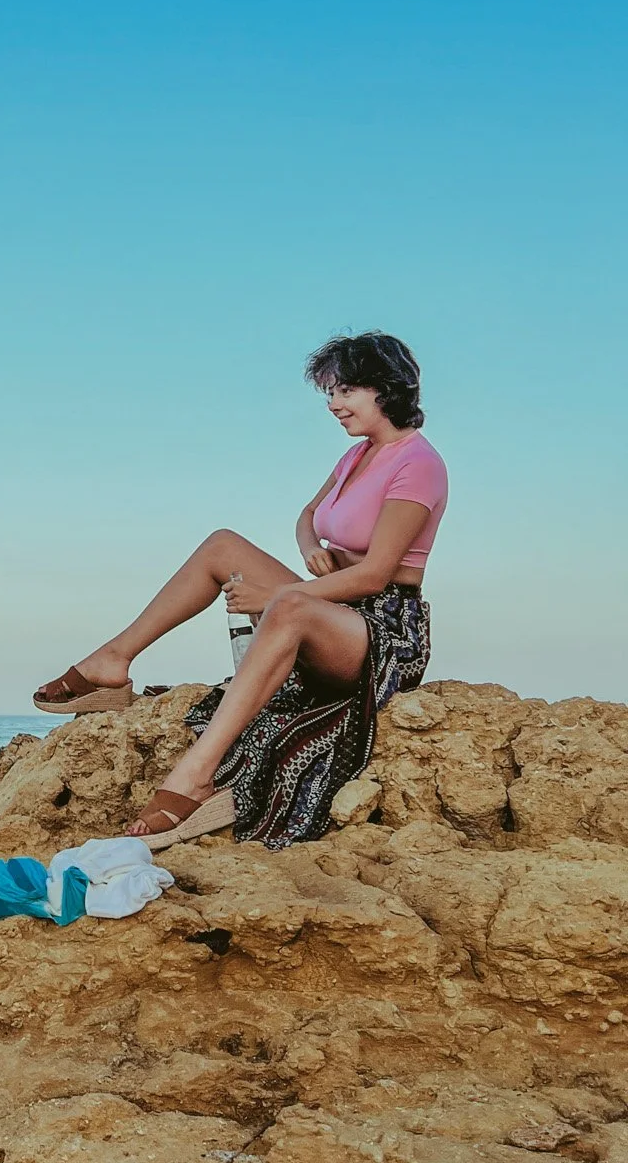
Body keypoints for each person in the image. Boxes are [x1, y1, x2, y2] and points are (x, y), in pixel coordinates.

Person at [32, 331, 446, 851]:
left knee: (292, 604)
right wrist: (310, 543)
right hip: (330, 603)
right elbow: (306, 516)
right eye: (330, 393)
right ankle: (110, 664)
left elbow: (373, 576)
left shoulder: (419, 463)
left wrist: (279, 599)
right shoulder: (357, 456)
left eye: (346, 391)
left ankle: (195, 776)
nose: (334, 405)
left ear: (386, 388)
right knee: (222, 545)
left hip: (382, 632)